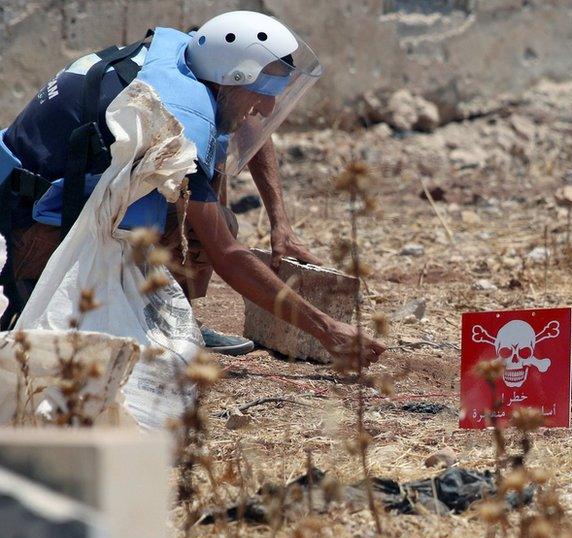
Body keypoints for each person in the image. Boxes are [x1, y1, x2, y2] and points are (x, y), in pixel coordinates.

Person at [0, 11, 385, 364]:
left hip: (34, 195)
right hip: (33, 228)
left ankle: (171, 316)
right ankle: (52, 296)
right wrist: (325, 329)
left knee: (211, 209)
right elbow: (228, 255)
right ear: (231, 77)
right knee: (209, 230)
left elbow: (248, 122)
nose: (267, 109)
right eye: (261, 93)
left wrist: (279, 223)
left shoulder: (192, 56)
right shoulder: (176, 115)